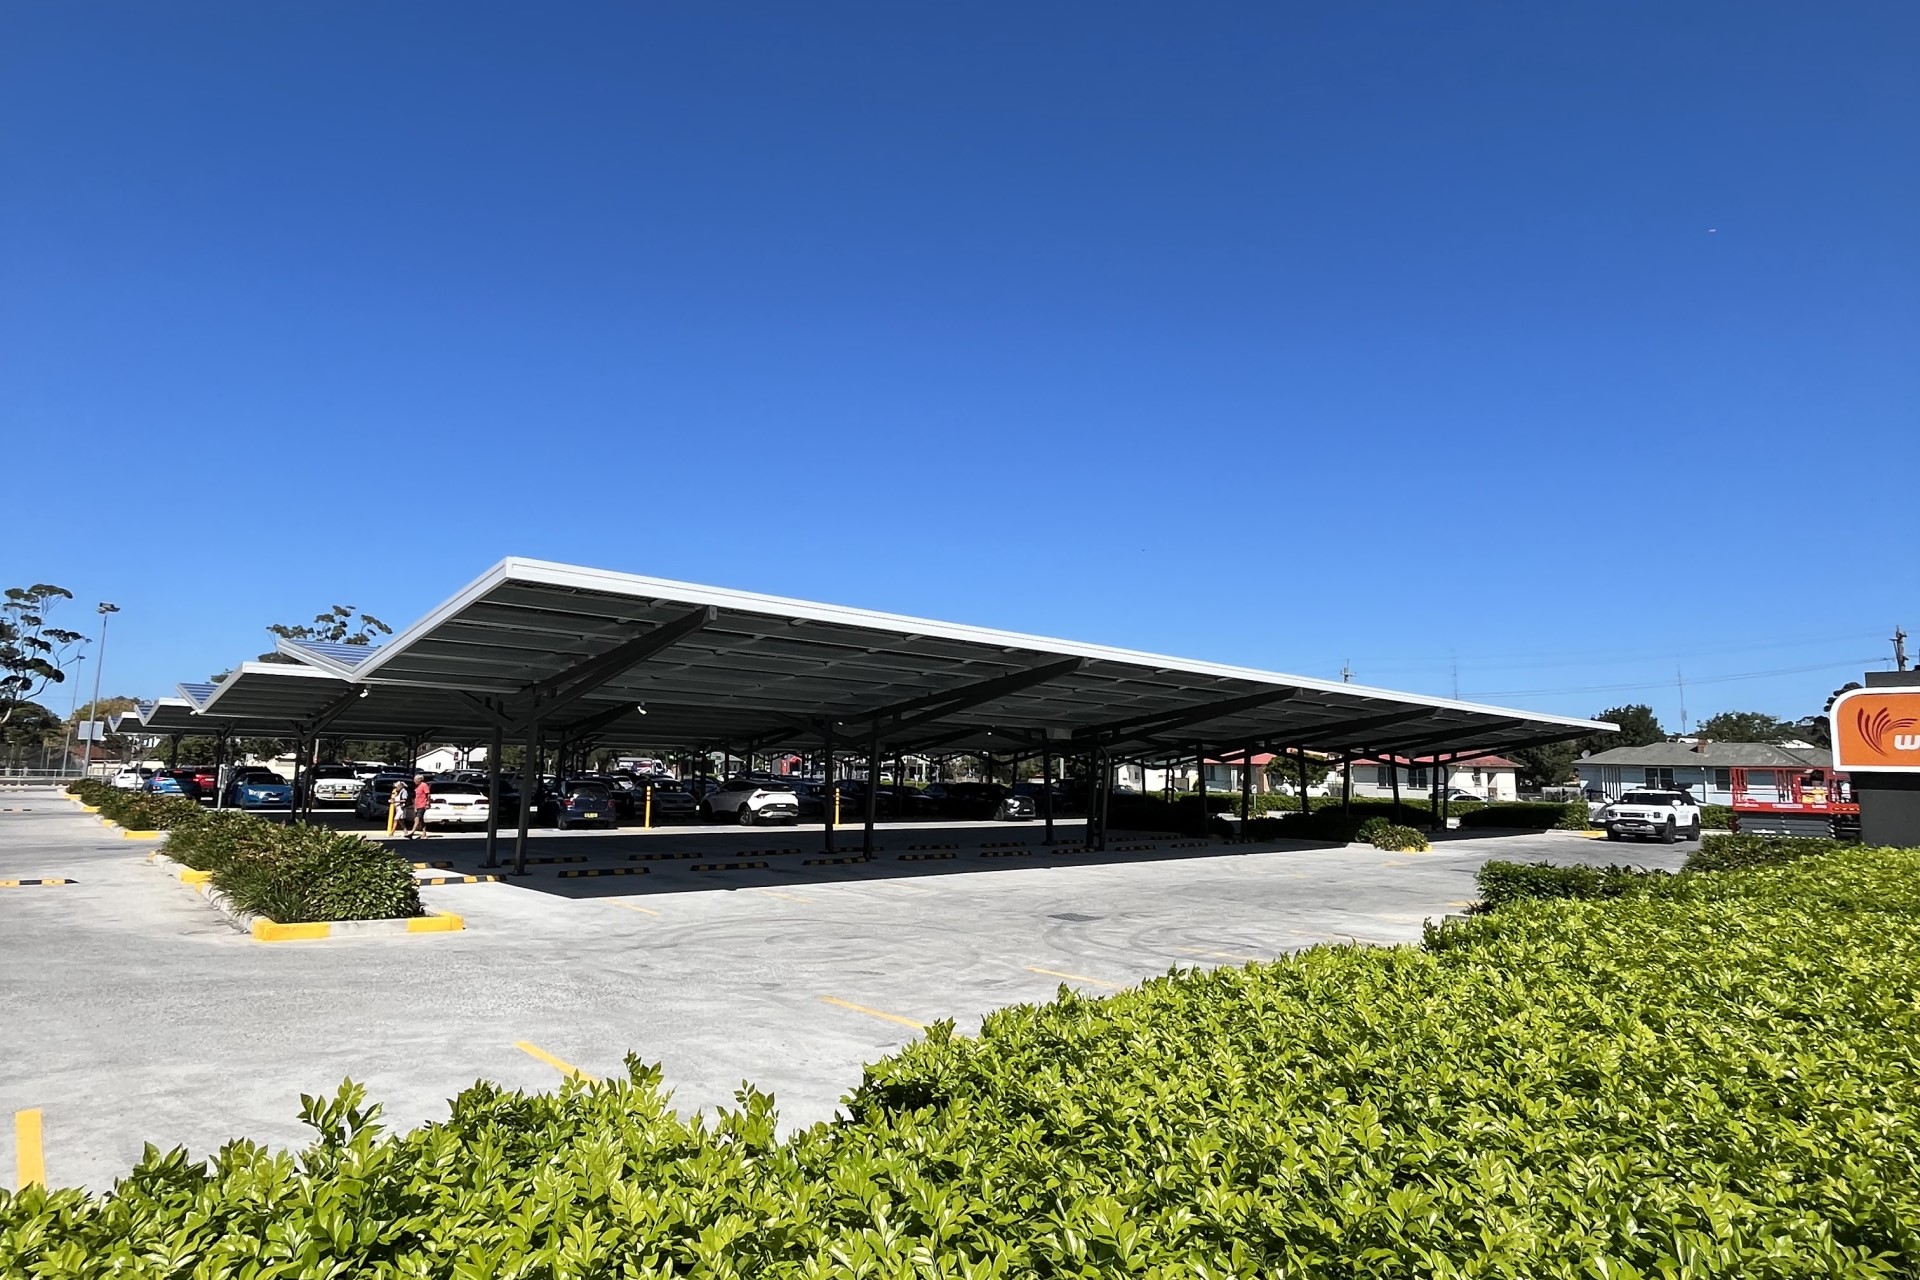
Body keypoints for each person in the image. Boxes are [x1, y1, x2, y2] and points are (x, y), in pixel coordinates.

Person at [410, 774, 432, 839]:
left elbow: (428, 795)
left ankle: (412, 832)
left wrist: (428, 803)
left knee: (417, 818)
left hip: (423, 804)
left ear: (420, 779)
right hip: (418, 805)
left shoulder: (424, 785)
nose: (414, 781)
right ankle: (424, 833)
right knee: (421, 820)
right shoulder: (418, 786)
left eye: (415, 780)